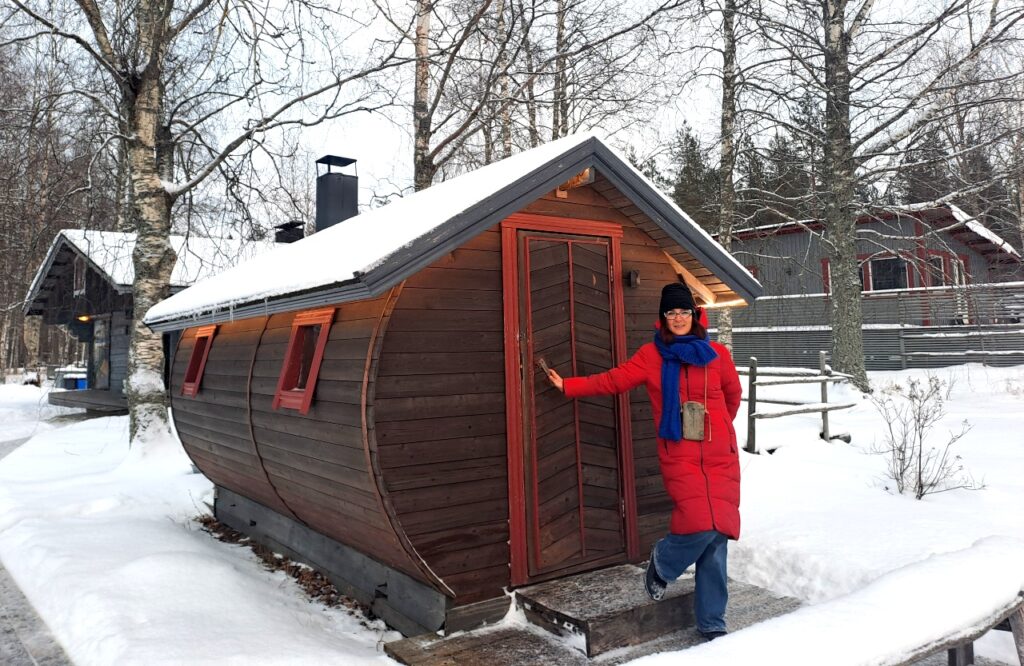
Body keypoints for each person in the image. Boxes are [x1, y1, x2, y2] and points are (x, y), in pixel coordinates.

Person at [544, 282, 742, 641]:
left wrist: (719, 430)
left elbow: (733, 395)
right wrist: (569, 385)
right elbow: (614, 380)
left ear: (695, 315)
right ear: (663, 318)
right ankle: (664, 561)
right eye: (671, 313)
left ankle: (712, 621)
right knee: (700, 524)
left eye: (683, 311)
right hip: (680, 454)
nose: (678, 318)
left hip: (720, 455)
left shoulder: (717, 354)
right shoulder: (652, 356)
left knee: (718, 536)